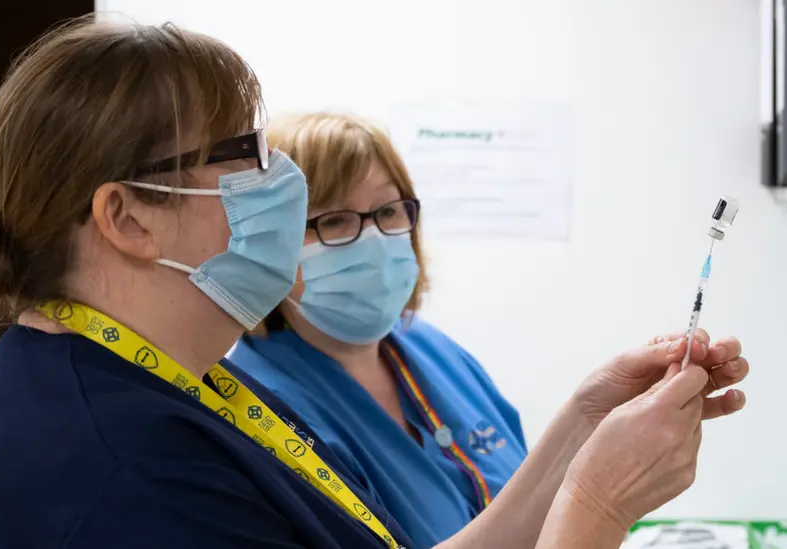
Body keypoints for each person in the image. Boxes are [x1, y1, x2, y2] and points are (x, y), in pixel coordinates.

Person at [0, 16, 739, 549]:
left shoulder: (156, 388)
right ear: (128, 218)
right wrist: (597, 505)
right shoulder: (127, 474)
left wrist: (581, 428)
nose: (278, 181)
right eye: (241, 154)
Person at [231, 112, 751, 548]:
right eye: (335, 220)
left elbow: (511, 514)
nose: (374, 239)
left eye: (389, 211)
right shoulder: (260, 412)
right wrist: (599, 499)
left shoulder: (429, 350)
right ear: (272, 242)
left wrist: (589, 416)